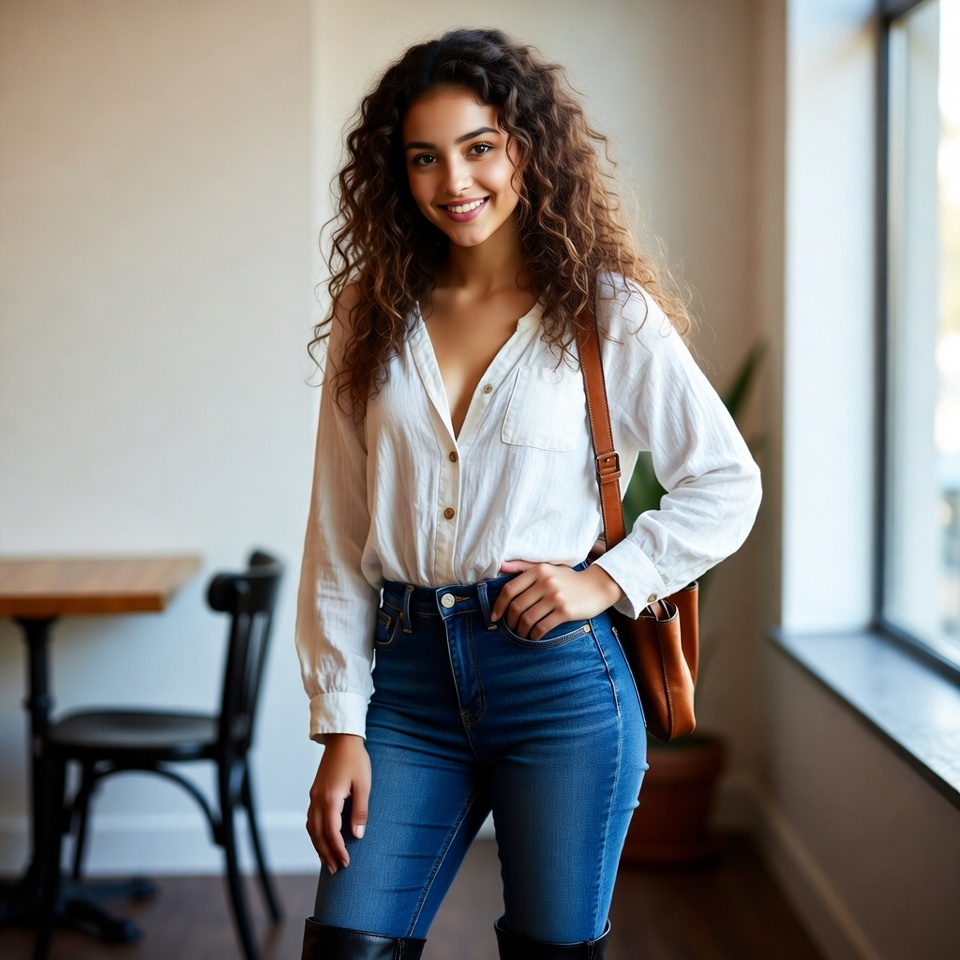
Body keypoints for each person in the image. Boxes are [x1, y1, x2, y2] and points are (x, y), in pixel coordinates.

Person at [295, 27, 761, 960]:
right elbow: (340, 531)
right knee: (346, 945)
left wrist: (606, 580)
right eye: (424, 158)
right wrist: (339, 725)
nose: (454, 181)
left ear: (526, 149)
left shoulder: (605, 311)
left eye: (479, 147)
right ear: (397, 173)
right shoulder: (369, 315)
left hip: (561, 687)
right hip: (408, 690)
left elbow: (726, 480)